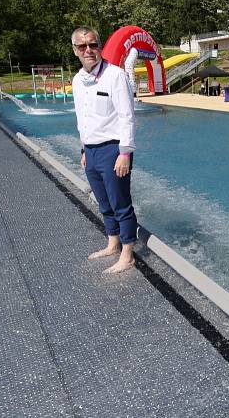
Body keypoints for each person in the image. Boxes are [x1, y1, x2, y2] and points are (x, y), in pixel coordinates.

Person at [71, 26, 137, 274]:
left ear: (99, 46)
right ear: (75, 50)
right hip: (91, 150)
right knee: (104, 203)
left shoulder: (115, 75)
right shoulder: (78, 80)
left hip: (113, 150)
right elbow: (83, 118)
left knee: (121, 203)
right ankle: (113, 243)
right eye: (82, 46)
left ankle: (127, 254)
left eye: (93, 44)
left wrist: (124, 153)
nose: (88, 50)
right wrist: (84, 149)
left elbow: (127, 117)